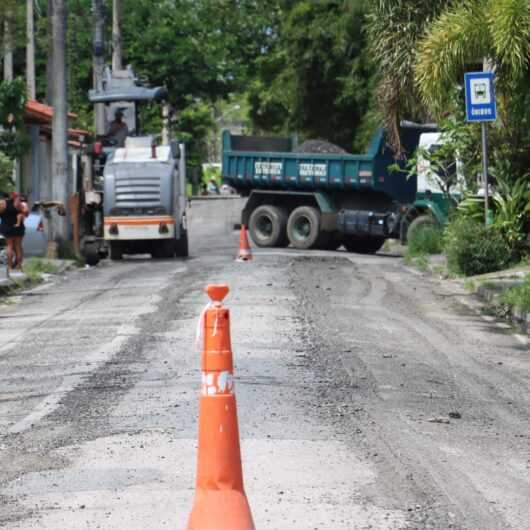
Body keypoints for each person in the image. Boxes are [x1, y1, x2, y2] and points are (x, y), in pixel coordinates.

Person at [0, 192, 29, 271]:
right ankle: (19, 266)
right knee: (18, 247)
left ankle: (9, 267)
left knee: (9, 246)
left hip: (7, 228)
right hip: (19, 228)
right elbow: (26, 214)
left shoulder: (2, 203)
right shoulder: (21, 204)